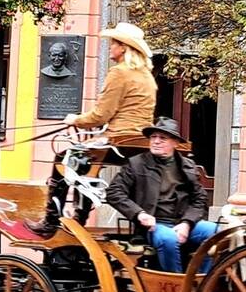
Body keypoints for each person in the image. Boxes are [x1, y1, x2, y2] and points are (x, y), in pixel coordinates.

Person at [25, 22, 157, 237]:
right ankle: (78, 217)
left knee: (64, 158)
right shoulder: (146, 76)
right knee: (85, 165)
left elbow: (101, 115)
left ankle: (53, 221)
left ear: (124, 47)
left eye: (114, 43)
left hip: (118, 138)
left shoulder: (120, 73)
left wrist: (75, 119)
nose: (111, 47)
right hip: (139, 141)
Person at [106, 117, 216, 273]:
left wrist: (186, 223)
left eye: (162, 138)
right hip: (154, 225)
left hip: (183, 222)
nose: (156, 141)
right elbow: (114, 192)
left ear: (175, 143)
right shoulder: (136, 164)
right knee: (167, 239)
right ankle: (177, 288)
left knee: (215, 232)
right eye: (153, 137)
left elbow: (200, 199)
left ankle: (202, 281)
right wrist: (139, 214)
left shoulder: (187, 166)